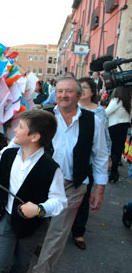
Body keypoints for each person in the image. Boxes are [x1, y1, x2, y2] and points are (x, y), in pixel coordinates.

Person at [0, 109, 67, 273]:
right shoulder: (8, 155)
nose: (15, 130)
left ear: (34, 136)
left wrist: (40, 209)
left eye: (21, 126)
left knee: (21, 264)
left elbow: (60, 201)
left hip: (32, 227)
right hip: (5, 218)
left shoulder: (52, 169)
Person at [32, 77, 108, 273]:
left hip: (73, 185)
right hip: (42, 181)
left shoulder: (94, 121)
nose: (63, 95)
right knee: (33, 225)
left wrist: (99, 189)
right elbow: (21, 141)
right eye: (59, 91)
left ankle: (41, 270)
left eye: (69, 91)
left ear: (79, 95)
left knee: (58, 232)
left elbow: (100, 157)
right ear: (55, 94)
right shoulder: (45, 116)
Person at [70, 77, 112, 250]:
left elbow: (105, 139)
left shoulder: (99, 113)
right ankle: (50, 231)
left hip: (87, 161)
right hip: (67, 159)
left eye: (85, 87)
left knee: (83, 196)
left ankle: (78, 231)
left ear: (93, 91)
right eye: (79, 87)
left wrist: (107, 158)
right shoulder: (70, 109)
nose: (82, 90)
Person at [105, 86, 132, 183]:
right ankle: (114, 172)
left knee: (113, 150)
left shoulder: (117, 100)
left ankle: (113, 173)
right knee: (118, 150)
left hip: (114, 127)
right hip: (124, 127)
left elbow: (106, 112)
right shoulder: (129, 101)